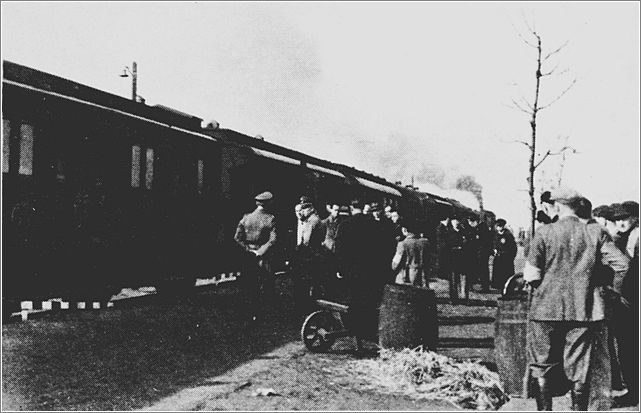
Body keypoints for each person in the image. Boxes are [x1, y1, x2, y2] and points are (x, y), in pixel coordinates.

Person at [523, 188, 629, 411]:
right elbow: (622, 265)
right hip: (583, 310)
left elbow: (532, 275)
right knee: (580, 366)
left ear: (558, 206)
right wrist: (599, 283)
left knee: (542, 365)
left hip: (545, 310)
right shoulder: (595, 232)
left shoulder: (544, 233)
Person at [334, 199, 385, 349]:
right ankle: (366, 333)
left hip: (351, 273)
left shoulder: (344, 225)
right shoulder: (374, 225)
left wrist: (340, 269)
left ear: (350, 208)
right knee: (368, 302)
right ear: (364, 208)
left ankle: (354, 332)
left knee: (352, 301)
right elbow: (381, 249)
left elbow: (339, 251)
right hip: (370, 272)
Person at [609, 201, 639, 407]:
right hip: (628, 300)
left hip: (632, 300)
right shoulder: (627, 237)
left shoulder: (636, 237)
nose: (619, 222)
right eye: (617, 219)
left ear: (635, 218)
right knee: (627, 347)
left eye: (624, 218)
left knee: (629, 347)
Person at [234, 191, 277, 322]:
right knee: (266, 284)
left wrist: (248, 250)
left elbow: (237, 238)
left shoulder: (246, 217)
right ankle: (263, 314)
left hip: (248, 257)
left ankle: (249, 313)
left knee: (249, 284)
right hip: (263, 257)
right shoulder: (270, 219)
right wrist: (260, 252)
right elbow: (273, 240)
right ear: (268, 203)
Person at [293, 198, 327, 315]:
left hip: (309, 257)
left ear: (310, 209)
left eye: (304, 209)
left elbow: (306, 242)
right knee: (315, 283)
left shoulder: (311, 222)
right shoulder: (317, 220)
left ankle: (307, 309)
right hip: (316, 255)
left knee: (307, 284)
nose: (302, 212)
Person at [392, 218, 431, 288]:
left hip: (407, 277)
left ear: (405, 230)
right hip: (423, 276)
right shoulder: (426, 242)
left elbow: (396, 263)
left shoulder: (402, 244)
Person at [465, 214, 492, 292]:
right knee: (479, 269)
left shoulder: (482, 228)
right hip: (478, 252)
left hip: (482, 253)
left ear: (475, 221)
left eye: (470, 222)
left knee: (483, 269)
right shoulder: (479, 227)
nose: (470, 224)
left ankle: (485, 287)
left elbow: (483, 241)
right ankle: (481, 285)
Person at [491, 219, 517, 291]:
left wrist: (511, 257)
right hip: (498, 257)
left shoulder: (508, 235)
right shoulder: (496, 235)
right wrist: (494, 250)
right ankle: (499, 287)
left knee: (506, 274)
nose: (498, 228)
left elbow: (513, 247)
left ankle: (507, 287)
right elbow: (494, 244)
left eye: (499, 226)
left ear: (503, 226)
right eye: (497, 226)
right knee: (498, 274)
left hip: (506, 258)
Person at [446, 215, 468, 302]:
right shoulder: (448, 233)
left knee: (464, 279)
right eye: (454, 221)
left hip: (463, 259)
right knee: (453, 280)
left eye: (457, 221)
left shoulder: (465, 232)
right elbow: (446, 247)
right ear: (451, 222)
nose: (456, 223)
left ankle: (464, 298)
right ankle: (453, 298)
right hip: (452, 259)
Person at [435, 214, 451, 280]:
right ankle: (441, 274)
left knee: (443, 260)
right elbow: (441, 238)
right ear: (446, 219)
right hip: (442, 247)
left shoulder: (442, 227)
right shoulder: (440, 227)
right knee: (441, 260)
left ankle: (443, 274)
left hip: (442, 246)